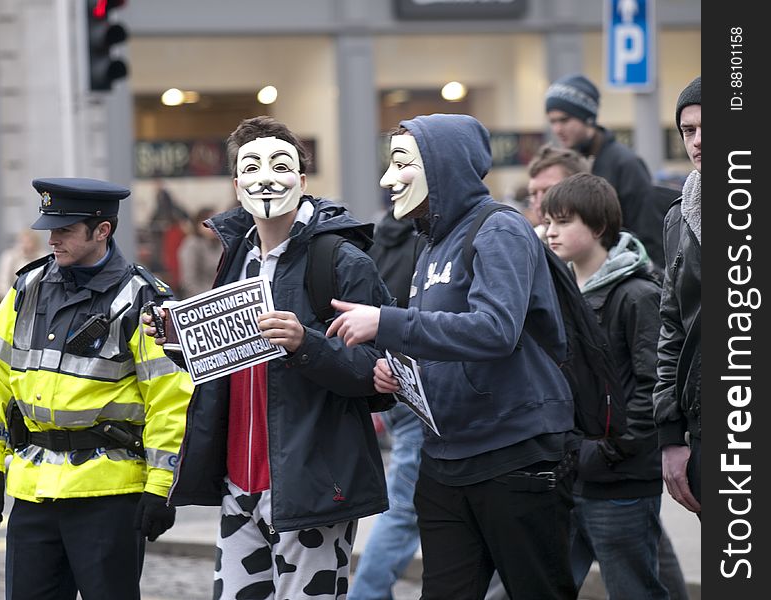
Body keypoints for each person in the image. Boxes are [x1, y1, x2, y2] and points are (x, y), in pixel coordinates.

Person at [327, 113, 579, 599]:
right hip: (444, 457)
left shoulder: (499, 228)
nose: (386, 180)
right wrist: (400, 371)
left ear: (441, 166)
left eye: (400, 163)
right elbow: (442, 341)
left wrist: (388, 323)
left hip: (515, 453)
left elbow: (495, 330)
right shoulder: (431, 244)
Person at [145, 116, 392, 599]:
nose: (265, 178)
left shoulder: (342, 261)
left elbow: (380, 373)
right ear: (236, 184)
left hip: (312, 486)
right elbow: (229, 364)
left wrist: (307, 343)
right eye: (250, 167)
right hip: (240, 484)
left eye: (280, 165)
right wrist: (182, 343)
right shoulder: (236, 256)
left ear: (302, 179)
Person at [0, 177, 195, 599]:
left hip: (107, 496)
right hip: (34, 492)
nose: (52, 239)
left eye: (65, 230)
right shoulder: (27, 289)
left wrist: (161, 487)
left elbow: (170, 401)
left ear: (102, 230)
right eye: (51, 228)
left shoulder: (143, 300)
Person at [542, 173, 668, 599]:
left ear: (597, 227)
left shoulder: (636, 294)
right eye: (547, 221)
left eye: (562, 221)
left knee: (633, 590)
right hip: (572, 471)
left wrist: (606, 452)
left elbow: (654, 386)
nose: (550, 231)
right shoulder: (561, 290)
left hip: (621, 479)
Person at [348, 205, 425, 600]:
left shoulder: (376, 238)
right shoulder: (427, 242)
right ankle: (367, 594)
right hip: (418, 386)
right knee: (404, 509)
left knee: (406, 504)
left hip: (390, 382)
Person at [544, 74, 665, 267]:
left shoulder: (625, 163)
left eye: (564, 120)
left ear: (588, 118)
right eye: (552, 121)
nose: (557, 129)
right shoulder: (566, 162)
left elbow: (648, 233)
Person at [653, 76, 701, 518]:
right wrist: (671, 434)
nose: (699, 141)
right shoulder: (679, 218)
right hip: (707, 425)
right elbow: (672, 326)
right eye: (688, 131)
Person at [526, 144, 591, 240]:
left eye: (549, 191)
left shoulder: (614, 252)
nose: (539, 204)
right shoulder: (529, 243)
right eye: (533, 194)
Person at [0, 229, 46, 311]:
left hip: (36, 303)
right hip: (10, 301)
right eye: (23, 242)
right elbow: (3, 283)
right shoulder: (10, 257)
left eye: (29, 242)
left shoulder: (44, 258)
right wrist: (14, 300)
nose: (26, 245)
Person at [177, 205, 221, 298]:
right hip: (200, 298)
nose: (212, 228)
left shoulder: (223, 244)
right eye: (207, 225)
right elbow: (189, 281)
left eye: (215, 223)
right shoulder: (192, 244)